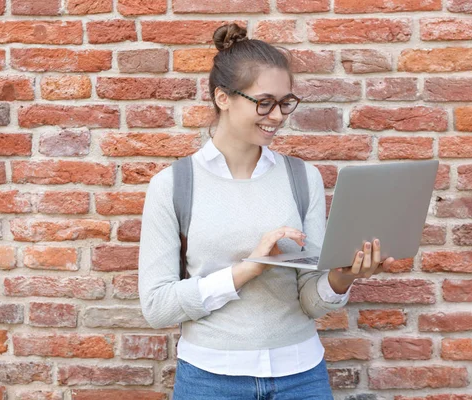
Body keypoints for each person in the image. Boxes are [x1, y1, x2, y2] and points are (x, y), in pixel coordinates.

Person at [138, 23, 395, 400]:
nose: (276, 116)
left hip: (301, 377)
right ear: (223, 97)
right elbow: (157, 307)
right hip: (210, 380)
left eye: (285, 102)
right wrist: (248, 269)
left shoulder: (301, 177)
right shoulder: (173, 185)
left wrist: (341, 277)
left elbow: (309, 301)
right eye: (264, 102)